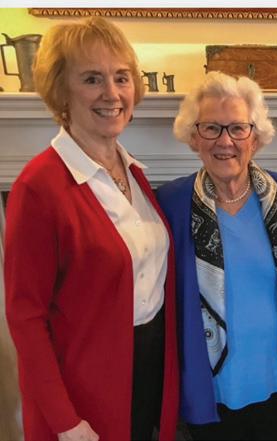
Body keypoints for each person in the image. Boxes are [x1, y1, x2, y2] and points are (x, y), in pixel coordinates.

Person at [4, 17, 179, 441]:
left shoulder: (133, 172)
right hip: (85, 391)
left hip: (147, 372)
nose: (112, 93)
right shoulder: (39, 187)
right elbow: (26, 317)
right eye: (92, 79)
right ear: (62, 91)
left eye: (121, 77)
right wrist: (64, 420)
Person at [156, 71, 277, 440]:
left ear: (255, 137)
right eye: (211, 128)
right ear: (193, 137)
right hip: (213, 378)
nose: (225, 141)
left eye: (237, 128)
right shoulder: (172, 203)